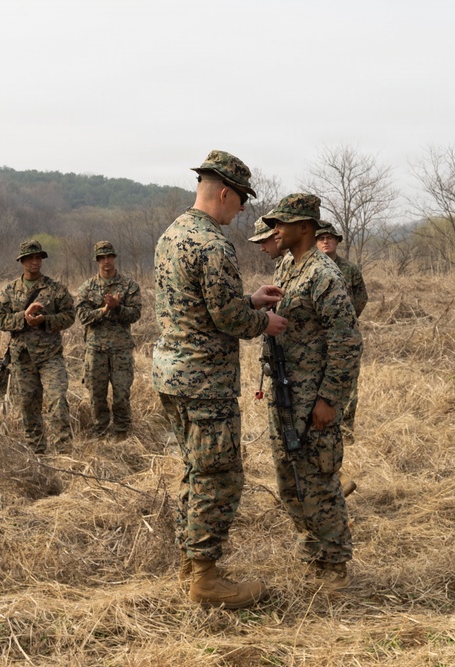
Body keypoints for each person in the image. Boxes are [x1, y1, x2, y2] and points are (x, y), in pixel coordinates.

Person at [153, 150, 287, 609]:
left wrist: (250, 300)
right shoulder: (211, 244)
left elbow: (197, 304)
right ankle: (206, 580)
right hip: (205, 382)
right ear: (224, 192)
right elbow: (224, 316)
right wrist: (261, 321)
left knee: (196, 469)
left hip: (172, 376)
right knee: (220, 477)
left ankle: (192, 564)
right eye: (242, 199)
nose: (244, 209)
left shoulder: (172, 234)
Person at [262, 194, 360, 588]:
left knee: (319, 480)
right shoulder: (288, 265)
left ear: (305, 228)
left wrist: (329, 400)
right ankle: (313, 551)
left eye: (281, 224)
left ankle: (334, 564)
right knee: (290, 480)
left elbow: (347, 342)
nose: (275, 231)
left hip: (311, 399)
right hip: (284, 395)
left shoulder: (324, 275)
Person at [0, 239, 75, 453]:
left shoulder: (56, 289)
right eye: (30, 258)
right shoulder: (9, 291)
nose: (34, 262)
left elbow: (69, 316)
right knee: (28, 405)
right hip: (23, 357)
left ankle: (64, 452)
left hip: (50, 356)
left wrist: (46, 320)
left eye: (38, 257)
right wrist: (24, 318)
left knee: (57, 400)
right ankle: (37, 451)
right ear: (22, 261)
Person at [74, 241, 142, 439]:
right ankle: (100, 433)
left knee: (121, 394)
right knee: (97, 395)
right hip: (96, 350)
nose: (106, 261)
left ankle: (122, 434)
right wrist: (104, 310)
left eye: (109, 257)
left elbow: (135, 314)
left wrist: (118, 308)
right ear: (97, 260)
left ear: (114, 258)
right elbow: (83, 317)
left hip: (121, 349)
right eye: (102, 258)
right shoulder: (87, 288)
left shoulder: (129, 286)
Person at [315, 223, 367, 449]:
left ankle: (346, 432)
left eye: (330, 238)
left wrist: (344, 321)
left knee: (348, 386)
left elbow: (361, 297)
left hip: (343, 337)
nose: (326, 241)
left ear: (337, 241)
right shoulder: (312, 268)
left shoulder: (350, 269)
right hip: (317, 340)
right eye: (321, 238)